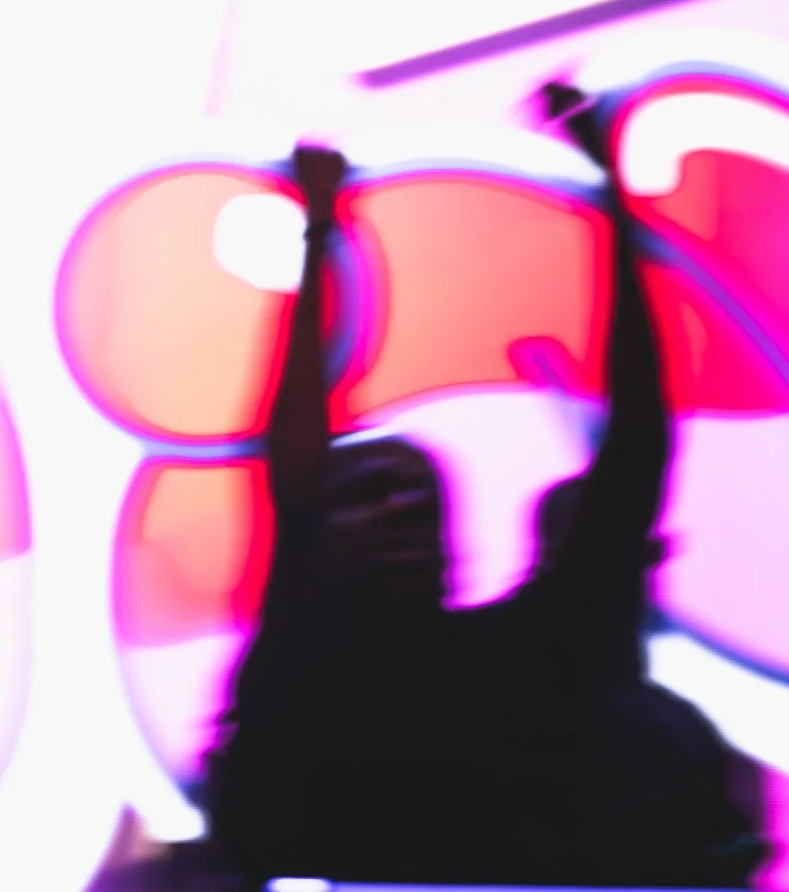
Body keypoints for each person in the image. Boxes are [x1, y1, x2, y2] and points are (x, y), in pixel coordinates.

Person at [203, 100, 765, 888]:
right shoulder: (308, 649)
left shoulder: (547, 644)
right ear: (315, 534)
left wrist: (612, 204)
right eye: (368, 493)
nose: (403, 508)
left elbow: (638, 442)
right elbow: (288, 455)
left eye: (421, 497)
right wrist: (318, 231)